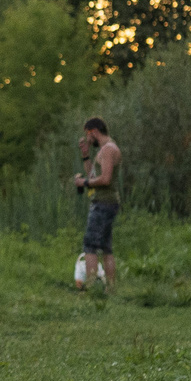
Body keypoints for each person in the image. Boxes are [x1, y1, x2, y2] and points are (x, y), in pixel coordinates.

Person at [73, 116, 119, 290]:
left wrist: (83, 183)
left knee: (90, 246)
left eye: (88, 135)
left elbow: (105, 179)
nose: (87, 139)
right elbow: (94, 176)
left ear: (94, 131)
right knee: (106, 248)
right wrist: (86, 156)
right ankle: (110, 289)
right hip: (107, 203)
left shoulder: (108, 150)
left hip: (103, 203)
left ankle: (92, 288)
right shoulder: (105, 150)